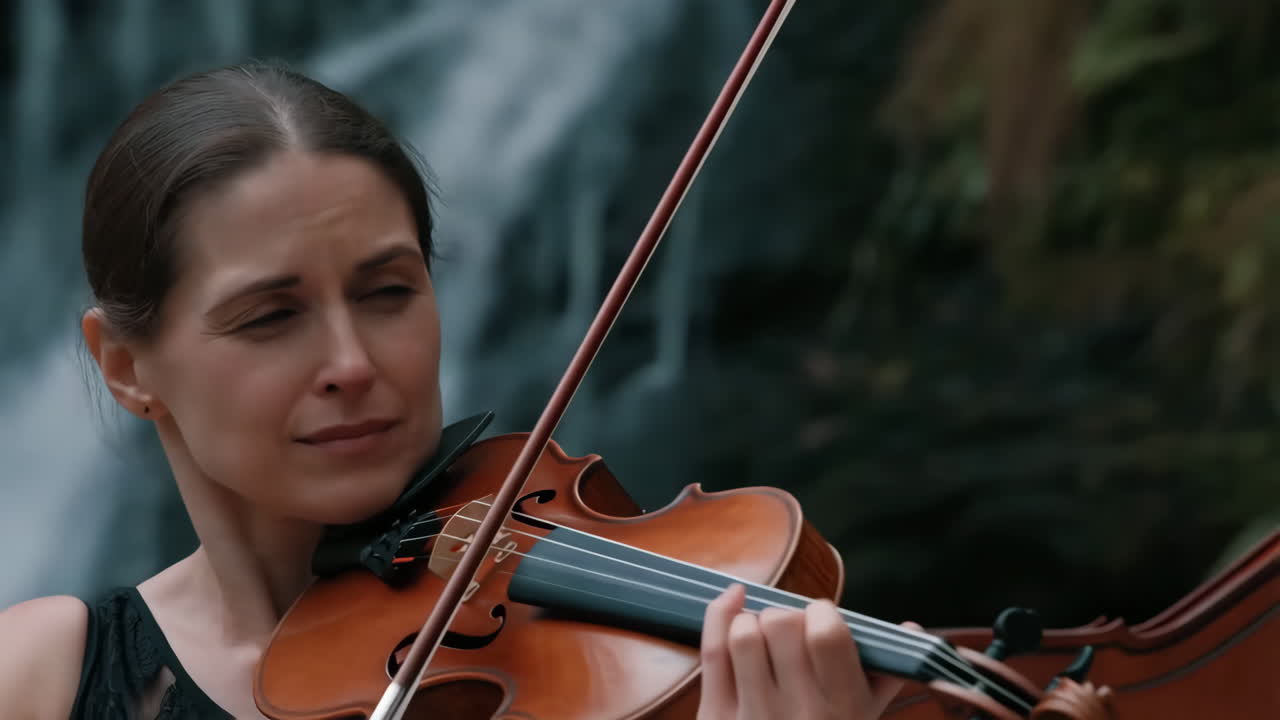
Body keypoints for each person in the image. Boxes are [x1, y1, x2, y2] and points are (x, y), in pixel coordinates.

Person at [0, 64, 906, 719]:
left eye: (389, 292)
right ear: (126, 366)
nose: (353, 363)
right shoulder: (48, 676)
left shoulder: (598, 670)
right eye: (271, 317)